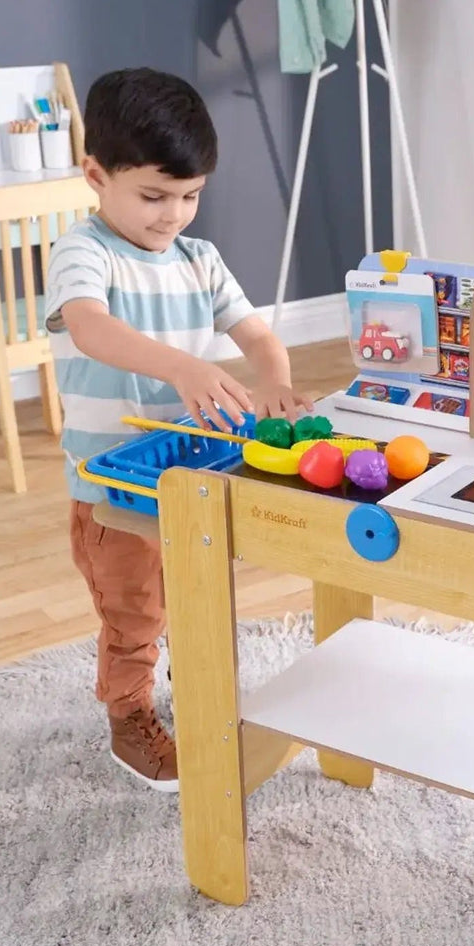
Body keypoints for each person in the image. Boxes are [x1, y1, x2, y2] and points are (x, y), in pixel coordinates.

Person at [46, 67, 312, 792]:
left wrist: (276, 380)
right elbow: (91, 328)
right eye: (154, 196)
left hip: (191, 481)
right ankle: (129, 717)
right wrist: (183, 371)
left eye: (190, 196)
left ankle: (199, 694)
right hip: (111, 490)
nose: (173, 215)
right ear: (96, 175)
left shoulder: (200, 259)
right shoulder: (84, 252)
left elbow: (258, 337)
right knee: (135, 614)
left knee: (195, 598)